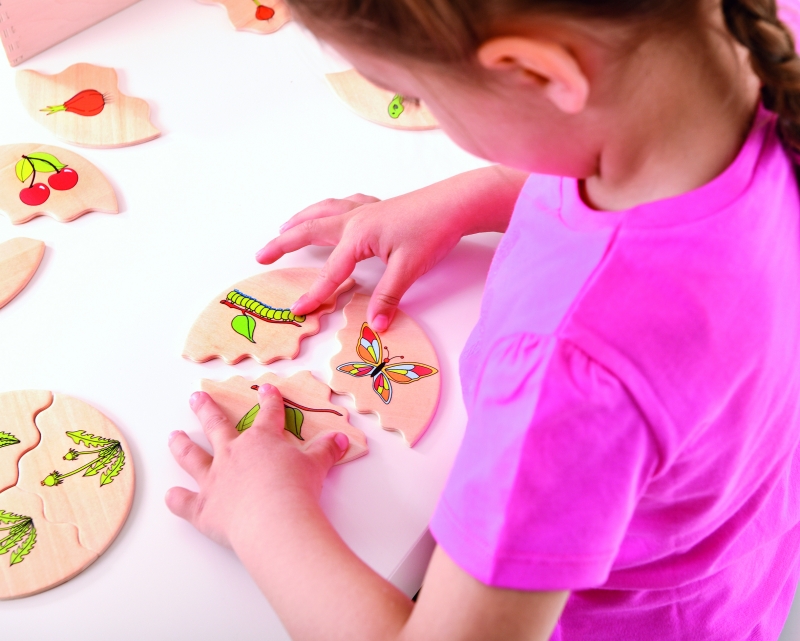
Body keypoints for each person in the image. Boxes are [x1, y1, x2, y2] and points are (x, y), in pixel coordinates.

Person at [166, 0, 800, 638]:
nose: (422, 108)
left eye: (416, 95)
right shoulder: (752, 36)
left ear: (537, 72)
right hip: (737, 575)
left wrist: (261, 512)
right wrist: (474, 196)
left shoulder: (569, 373)